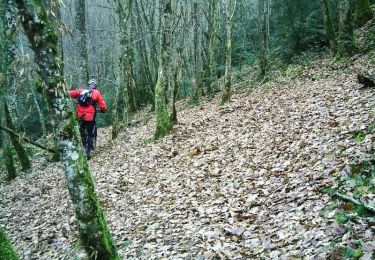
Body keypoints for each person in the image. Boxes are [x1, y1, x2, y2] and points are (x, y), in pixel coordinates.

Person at [70, 79, 107, 158]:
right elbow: (103, 106)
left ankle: (83, 146)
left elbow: (70, 94)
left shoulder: (81, 91)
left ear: (88, 85)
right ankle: (88, 151)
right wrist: (103, 110)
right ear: (95, 86)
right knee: (90, 133)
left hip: (80, 116)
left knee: (81, 130)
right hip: (90, 116)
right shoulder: (97, 93)